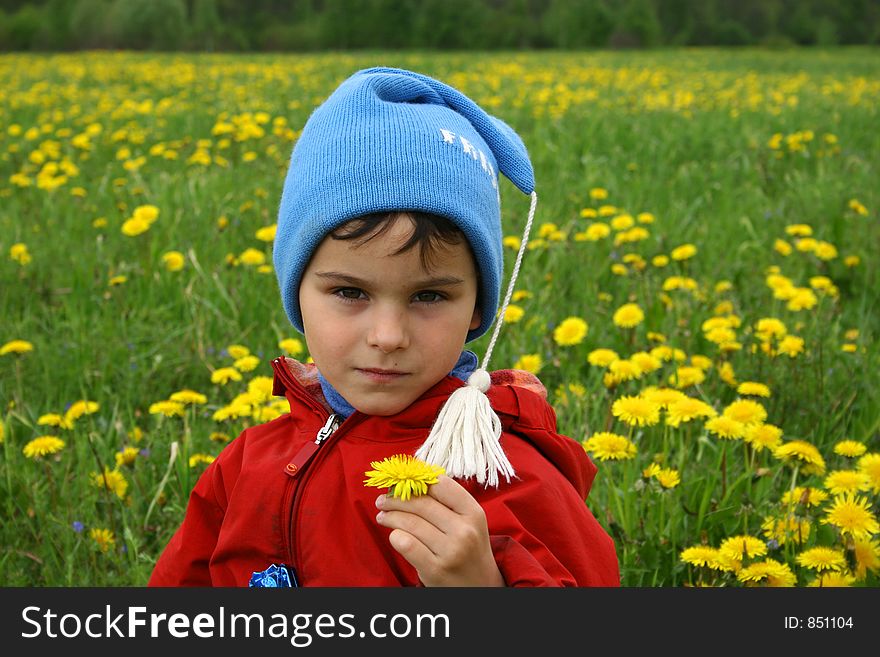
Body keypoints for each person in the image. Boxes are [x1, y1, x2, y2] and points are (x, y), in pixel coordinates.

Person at [149, 67, 620, 587]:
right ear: (296, 296)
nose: (388, 335)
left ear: (479, 310)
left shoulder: (503, 472)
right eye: (350, 292)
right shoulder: (247, 464)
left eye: (429, 296)